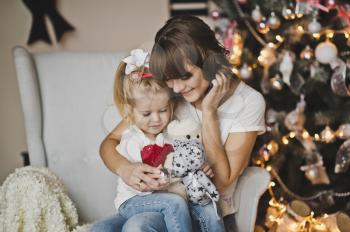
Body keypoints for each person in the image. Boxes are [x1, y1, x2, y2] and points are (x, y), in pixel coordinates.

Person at [94, 15, 265, 232]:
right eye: (169, 78)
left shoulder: (248, 102)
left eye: (185, 77)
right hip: (159, 203)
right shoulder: (169, 96)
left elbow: (221, 182)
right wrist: (125, 169)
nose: (175, 88)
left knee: (137, 227)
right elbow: (109, 142)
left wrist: (210, 112)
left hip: (205, 213)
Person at [92, 48, 193, 232]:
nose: (156, 120)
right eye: (146, 113)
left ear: (170, 104)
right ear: (131, 111)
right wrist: (125, 169)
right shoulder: (132, 134)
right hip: (132, 200)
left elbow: (187, 162)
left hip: (160, 203)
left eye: (162, 111)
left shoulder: (175, 129)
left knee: (169, 205)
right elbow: (108, 145)